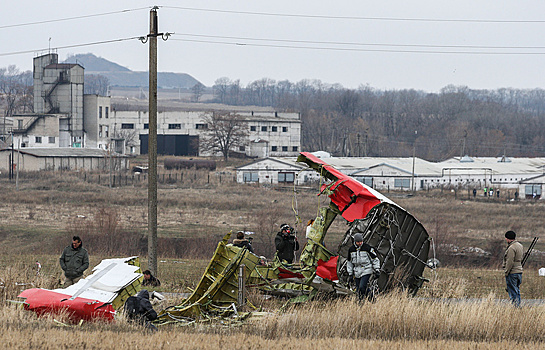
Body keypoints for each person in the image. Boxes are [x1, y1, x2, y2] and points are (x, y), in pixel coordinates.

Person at [347, 233, 380, 301]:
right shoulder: (351, 250)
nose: (360, 243)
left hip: (366, 270)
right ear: (355, 242)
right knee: (359, 289)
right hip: (357, 272)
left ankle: (362, 301)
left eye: (361, 241)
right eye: (358, 242)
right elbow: (349, 262)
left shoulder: (367, 248)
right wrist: (350, 274)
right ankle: (370, 299)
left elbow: (375, 259)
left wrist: (377, 270)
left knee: (362, 286)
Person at [503, 230, 523, 307]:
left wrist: (506, 272)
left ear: (508, 238)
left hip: (512, 272)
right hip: (519, 271)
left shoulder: (511, 248)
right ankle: (518, 305)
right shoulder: (520, 245)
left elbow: (510, 261)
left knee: (513, 291)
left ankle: (515, 307)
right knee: (517, 290)